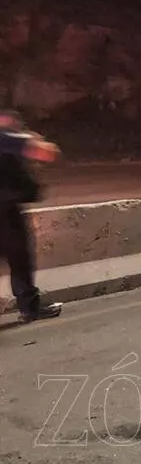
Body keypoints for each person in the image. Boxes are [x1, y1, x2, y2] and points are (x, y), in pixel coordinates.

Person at [0, 110, 62, 322]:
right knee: (19, 259)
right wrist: (27, 135)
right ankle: (29, 308)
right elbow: (47, 152)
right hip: (4, 211)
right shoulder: (5, 137)